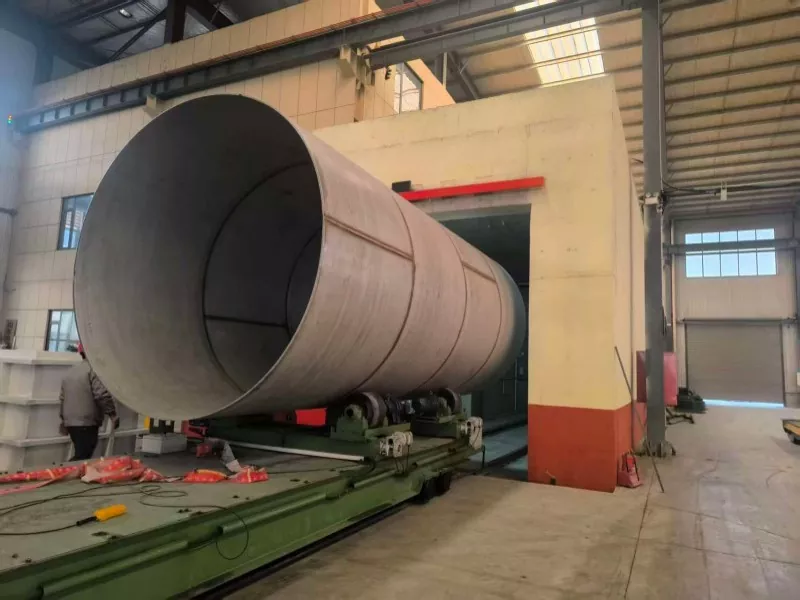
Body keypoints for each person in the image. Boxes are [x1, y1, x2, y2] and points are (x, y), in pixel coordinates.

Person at [59, 343, 119, 461]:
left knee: (82, 453)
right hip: (86, 423)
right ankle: (64, 470)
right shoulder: (93, 371)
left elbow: (62, 398)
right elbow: (101, 394)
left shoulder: (70, 372)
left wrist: (63, 420)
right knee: (83, 455)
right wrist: (112, 414)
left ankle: (68, 469)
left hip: (71, 422)